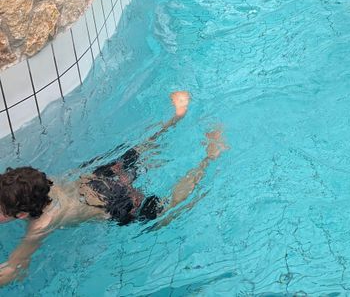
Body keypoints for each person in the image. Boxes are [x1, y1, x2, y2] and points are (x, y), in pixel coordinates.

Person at [0, 91, 224, 287]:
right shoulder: (37, 182)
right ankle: (177, 116)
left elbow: (14, 269)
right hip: (97, 177)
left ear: (21, 214)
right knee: (143, 148)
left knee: (167, 211)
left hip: (113, 203)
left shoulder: (39, 226)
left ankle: (209, 158)